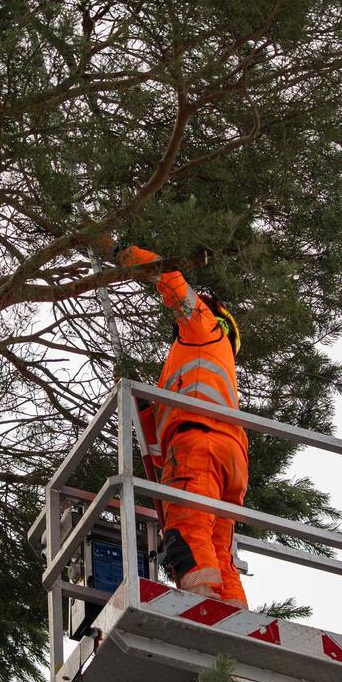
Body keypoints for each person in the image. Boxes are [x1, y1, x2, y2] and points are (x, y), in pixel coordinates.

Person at [99, 238, 249, 605]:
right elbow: (155, 440)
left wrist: (123, 254)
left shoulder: (203, 330)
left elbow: (173, 282)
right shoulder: (203, 367)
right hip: (229, 460)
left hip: (198, 445)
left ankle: (203, 610)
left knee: (187, 529)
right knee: (219, 548)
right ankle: (235, 613)